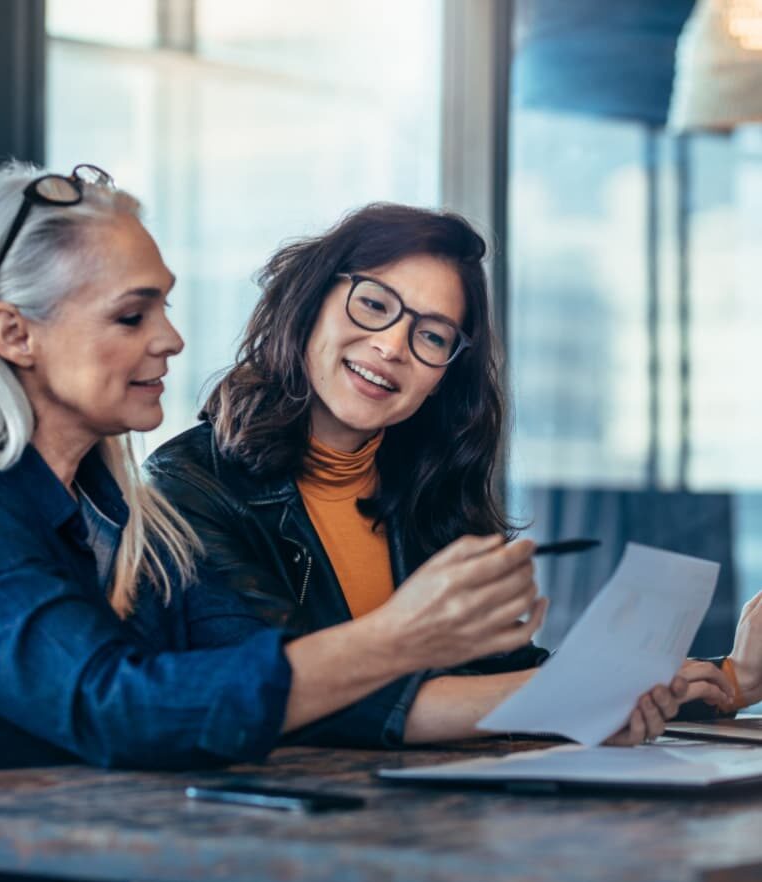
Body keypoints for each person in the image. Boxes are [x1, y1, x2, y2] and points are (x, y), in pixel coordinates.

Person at [0, 163, 561, 882]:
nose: (170, 337)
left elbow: (258, 678)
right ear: (14, 333)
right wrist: (402, 636)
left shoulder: (128, 517)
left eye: (162, 305)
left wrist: (581, 699)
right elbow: (117, 707)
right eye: (133, 314)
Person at [146, 203, 740, 744]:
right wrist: (569, 701)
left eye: (431, 335)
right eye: (375, 304)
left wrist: (718, 680)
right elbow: (288, 695)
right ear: (309, 303)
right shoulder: (188, 485)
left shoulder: (426, 486)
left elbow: (496, 673)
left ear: (444, 375)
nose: (391, 346)